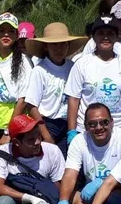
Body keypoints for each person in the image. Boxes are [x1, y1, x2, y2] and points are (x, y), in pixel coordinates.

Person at [0, 115, 66, 204]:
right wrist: (29, 198)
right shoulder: (2, 153)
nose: (37, 142)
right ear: (16, 142)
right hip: (15, 202)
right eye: (31, 140)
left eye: (39, 136)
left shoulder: (52, 151)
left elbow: (59, 185)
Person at [65, 17, 121, 136]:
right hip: (88, 130)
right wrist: (71, 131)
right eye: (101, 33)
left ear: (116, 37)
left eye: (110, 33)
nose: (105, 37)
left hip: (119, 129)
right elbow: (74, 99)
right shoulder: (81, 64)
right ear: (94, 37)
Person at [20, 22, 87, 154]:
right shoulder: (40, 70)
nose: (59, 49)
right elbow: (31, 105)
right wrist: (46, 135)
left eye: (63, 44)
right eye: (54, 45)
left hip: (68, 123)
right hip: (47, 124)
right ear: (46, 47)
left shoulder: (72, 67)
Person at [57, 104, 121, 204]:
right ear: (85, 126)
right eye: (92, 124)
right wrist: (63, 201)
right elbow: (70, 173)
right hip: (90, 192)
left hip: (117, 190)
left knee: (110, 201)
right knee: (72, 200)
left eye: (104, 122)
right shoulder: (79, 141)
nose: (99, 127)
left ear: (112, 122)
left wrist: (101, 183)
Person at [0, 13, 33, 150]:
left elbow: (23, 100)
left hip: (16, 126)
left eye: (11, 31)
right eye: (2, 31)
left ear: (16, 35)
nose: (6, 34)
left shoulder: (25, 62)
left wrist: (8, 132)